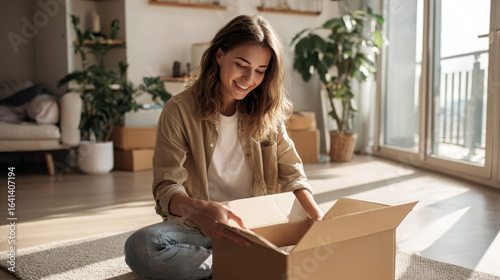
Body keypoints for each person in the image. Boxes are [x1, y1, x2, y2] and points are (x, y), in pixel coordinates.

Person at [124, 15, 324, 280]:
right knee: (142, 247)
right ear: (219, 56)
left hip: (260, 225)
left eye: (261, 70)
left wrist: (318, 220)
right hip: (201, 228)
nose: (249, 79)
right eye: (241, 65)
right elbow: (166, 188)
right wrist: (201, 211)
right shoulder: (179, 110)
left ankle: (234, 265)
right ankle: (251, 264)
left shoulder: (267, 111)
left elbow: (292, 174)